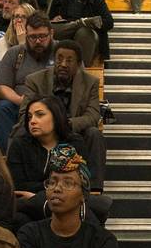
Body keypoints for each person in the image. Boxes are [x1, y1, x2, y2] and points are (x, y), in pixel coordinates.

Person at [18, 40, 106, 190]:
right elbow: (24, 113)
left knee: (94, 133)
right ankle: (21, 187)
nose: (63, 64)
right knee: (19, 131)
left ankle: (93, 189)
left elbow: (92, 115)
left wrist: (64, 124)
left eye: (69, 60)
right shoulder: (35, 80)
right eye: (59, 59)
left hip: (73, 131)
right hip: (44, 130)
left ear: (79, 64)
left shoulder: (90, 82)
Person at [0, 11, 55, 150]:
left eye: (42, 36)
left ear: (51, 33)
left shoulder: (62, 51)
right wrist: (20, 100)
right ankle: (10, 156)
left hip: (54, 106)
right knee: (1, 109)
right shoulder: (15, 53)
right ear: (26, 35)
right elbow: (3, 85)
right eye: (33, 37)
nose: (38, 41)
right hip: (21, 105)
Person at [50, 0, 114, 66]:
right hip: (65, 32)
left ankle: (80, 69)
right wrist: (54, 19)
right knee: (49, 28)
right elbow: (49, 23)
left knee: (84, 32)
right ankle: (79, 24)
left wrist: (91, 23)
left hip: (87, 35)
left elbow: (109, 22)